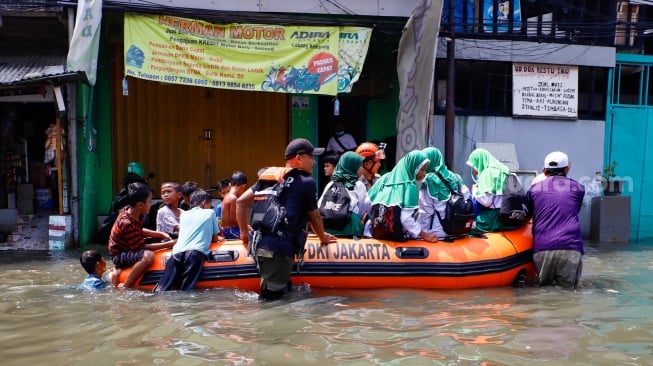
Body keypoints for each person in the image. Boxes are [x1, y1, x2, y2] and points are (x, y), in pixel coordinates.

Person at [236, 138, 337, 300]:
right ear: (299, 158)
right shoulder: (306, 182)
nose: (314, 162)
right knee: (272, 303)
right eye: (311, 157)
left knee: (277, 294)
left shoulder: (269, 178)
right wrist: (322, 237)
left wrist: (243, 233)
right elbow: (315, 217)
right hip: (279, 251)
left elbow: (240, 202)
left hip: (261, 246)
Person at [526, 151, 585, 289]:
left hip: (542, 248)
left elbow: (528, 215)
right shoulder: (578, 188)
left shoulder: (533, 190)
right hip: (570, 247)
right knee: (568, 295)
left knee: (543, 292)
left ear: (544, 171)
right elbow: (574, 210)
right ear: (567, 169)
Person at [153, 189, 223, 291]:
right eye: (209, 204)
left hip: (176, 252)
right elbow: (215, 237)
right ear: (204, 203)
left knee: (162, 288)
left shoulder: (184, 214)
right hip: (195, 253)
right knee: (186, 290)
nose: (210, 207)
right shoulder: (210, 212)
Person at [108, 182, 175, 288]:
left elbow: (140, 230)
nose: (151, 204)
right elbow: (142, 247)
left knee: (159, 241)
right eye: (149, 202)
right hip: (120, 254)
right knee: (148, 256)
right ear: (140, 205)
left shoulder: (133, 213)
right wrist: (170, 244)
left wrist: (161, 234)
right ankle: (126, 285)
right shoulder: (126, 223)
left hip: (129, 246)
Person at [367, 150, 438, 242]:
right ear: (413, 167)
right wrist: (424, 235)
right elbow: (406, 219)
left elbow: (366, 202)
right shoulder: (410, 186)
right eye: (422, 169)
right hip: (395, 236)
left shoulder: (385, 178)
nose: (424, 174)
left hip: (374, 233)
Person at [418, 147, 471, 238]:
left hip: (438, 232)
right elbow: (467, 196)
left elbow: (426, 212)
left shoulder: (429, 180)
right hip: (459, 230)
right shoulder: (456, 177)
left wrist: (421, 233)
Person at [466, 148, 521, 233]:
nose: (473, 170)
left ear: (479, 162)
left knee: (470, 230)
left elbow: (486, 201)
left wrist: (475, 190)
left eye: (474, 166)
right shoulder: (506, 171)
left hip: (495, 218)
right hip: (511, 216)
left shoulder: (488, 173)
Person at [318, 151, 370, 236]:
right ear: (352, 166)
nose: (362, 169)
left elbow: (319, 205)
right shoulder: (358, 185)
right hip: (349, 229)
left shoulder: (331, 183)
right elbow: (361, 211)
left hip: (326, 229)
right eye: (360, 166)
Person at [221, 171, 248, 239]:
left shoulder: (228, 196)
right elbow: (234, 220)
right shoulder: (233, 198)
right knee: (253, 237)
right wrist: (246, 226)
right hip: (231, 231)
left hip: (229, 230)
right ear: (243, 186)